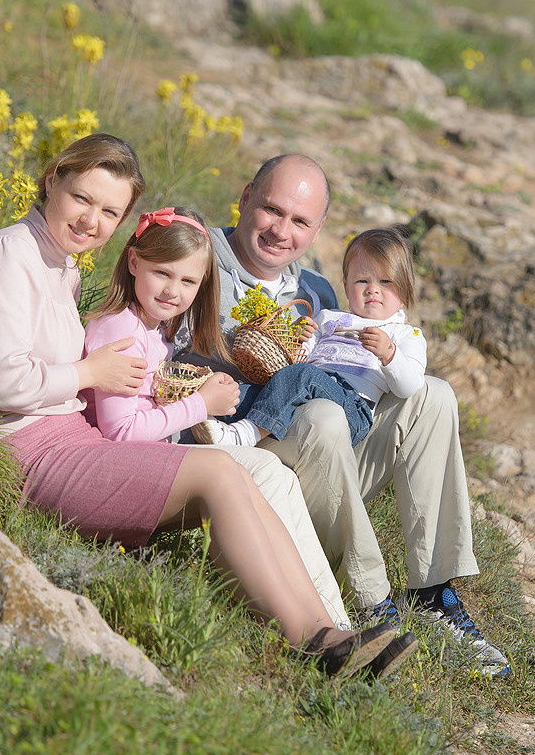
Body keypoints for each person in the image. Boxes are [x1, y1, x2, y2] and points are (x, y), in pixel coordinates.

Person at [0, 134, 416, 680]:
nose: (92, 220)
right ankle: (311, 642)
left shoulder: (60, 263)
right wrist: (92, 373)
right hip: (27, 449)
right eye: (81, 199)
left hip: (69, 437)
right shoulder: (9, 252)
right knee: (219, 472)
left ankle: (332, 633)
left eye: (110, 212)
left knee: (241, 473)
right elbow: (4, 385)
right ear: (52, 181)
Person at [183, 153, 511, 677]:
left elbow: (351, 375)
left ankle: (432, 590)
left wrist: (393, 354)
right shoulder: (199, 259)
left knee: (433, 395)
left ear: (318, 230)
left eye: (300, 220)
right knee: (322, 415)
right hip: (250, 458)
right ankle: (369, 597)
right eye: (272, 210)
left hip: (326, 463)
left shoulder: (318, 291)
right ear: (245, 198)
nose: (281, 231)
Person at [80, 205, 352, 628]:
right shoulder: (120, 330)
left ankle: (332, 621)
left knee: (277, 474)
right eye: (162, 273)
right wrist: (200, 405)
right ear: (133, 262)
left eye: (188, 281)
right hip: (123, 468)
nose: (173, 291)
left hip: (152, 455)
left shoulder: (152, 328)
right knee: (264, 474)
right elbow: (121, 433)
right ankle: (320, 626)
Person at [194, 228, 426, 451]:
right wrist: (299, 338)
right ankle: (211, 422)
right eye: (362, 281)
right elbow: (300, 359)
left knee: (303, 376)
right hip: (306, 392)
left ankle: (245, 435)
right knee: (249, 391)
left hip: (352, 408)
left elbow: (409, 387)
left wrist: (389, 354)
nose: (372, 289)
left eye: (385, 282)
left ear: (405, 290)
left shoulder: (405, 333)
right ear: (347, 287)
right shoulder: (329, 318)